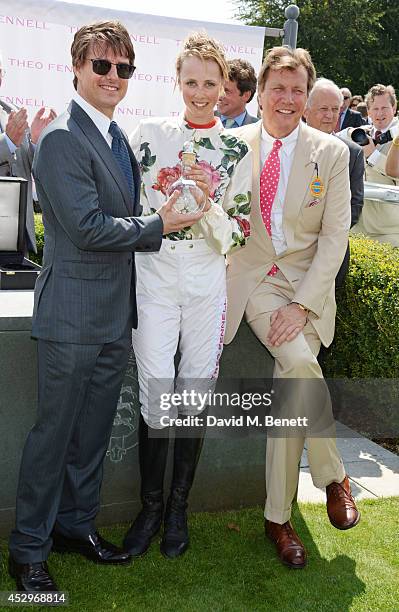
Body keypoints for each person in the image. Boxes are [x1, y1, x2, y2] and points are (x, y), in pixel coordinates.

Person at [8, 20, 201, 593]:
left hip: (116, 317)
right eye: (102, 65)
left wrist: (167, 202)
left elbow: (118, 211)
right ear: (77, 67)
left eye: (124, 68)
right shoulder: (63, 136)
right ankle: (27, 551)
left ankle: (75, 526)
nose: (113, 76)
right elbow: (89, 228)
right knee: (54, 437)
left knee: (90, 437)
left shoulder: (117, 137)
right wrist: (159, 224)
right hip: (71, 318)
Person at [225, 46, 360, 569]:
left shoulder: (332, 153)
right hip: (255, 279)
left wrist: (303, 306)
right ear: (260, 94)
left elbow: (334, 241)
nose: (287, 99)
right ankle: (333, 476)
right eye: (277, 88)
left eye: (296, 90)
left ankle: (277, 517)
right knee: (302, 364)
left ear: (307, 98)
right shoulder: (232, 145)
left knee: (292, 382)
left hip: (308, 284)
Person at [123, 32, 252, 560]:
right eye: (191, 81)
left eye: (210, 82)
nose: (201, 92)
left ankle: (177, 508)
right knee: (156, 391)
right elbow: (125, 207)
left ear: (224, 85)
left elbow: (239, 232)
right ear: (176, 82)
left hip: (205, 278)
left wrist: (212, 200)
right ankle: (149, 507)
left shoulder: (237, 147)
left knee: (193, 394)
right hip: (152, 274)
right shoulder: (147, 134)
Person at [304, 77, 364, 286]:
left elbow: (354, 208)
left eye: (335, 109)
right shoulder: (287, 147)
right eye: (323, 109)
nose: (330, 115)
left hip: (331, 256)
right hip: (287, 254)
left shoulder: (353, 153)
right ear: (306, 110)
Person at [0, 51, 56, 253]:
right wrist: (7, 142)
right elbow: (9, 146)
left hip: (17, 233)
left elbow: (26, 163)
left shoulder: (11, 111)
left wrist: (36, 141)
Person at [350, 84, 399, 245]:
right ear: (368, 112)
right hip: (359, 228)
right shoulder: (361, 135)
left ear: (394, 107)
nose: (380, 113)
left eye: (384, 107)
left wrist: (373, 156)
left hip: (390, 231)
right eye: (375, 109)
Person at [216, 58, 259, 127]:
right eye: (219, 89)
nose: (219, 96)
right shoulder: (201, 120)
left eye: (226, 91)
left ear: (246, 95)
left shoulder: (259, 129)